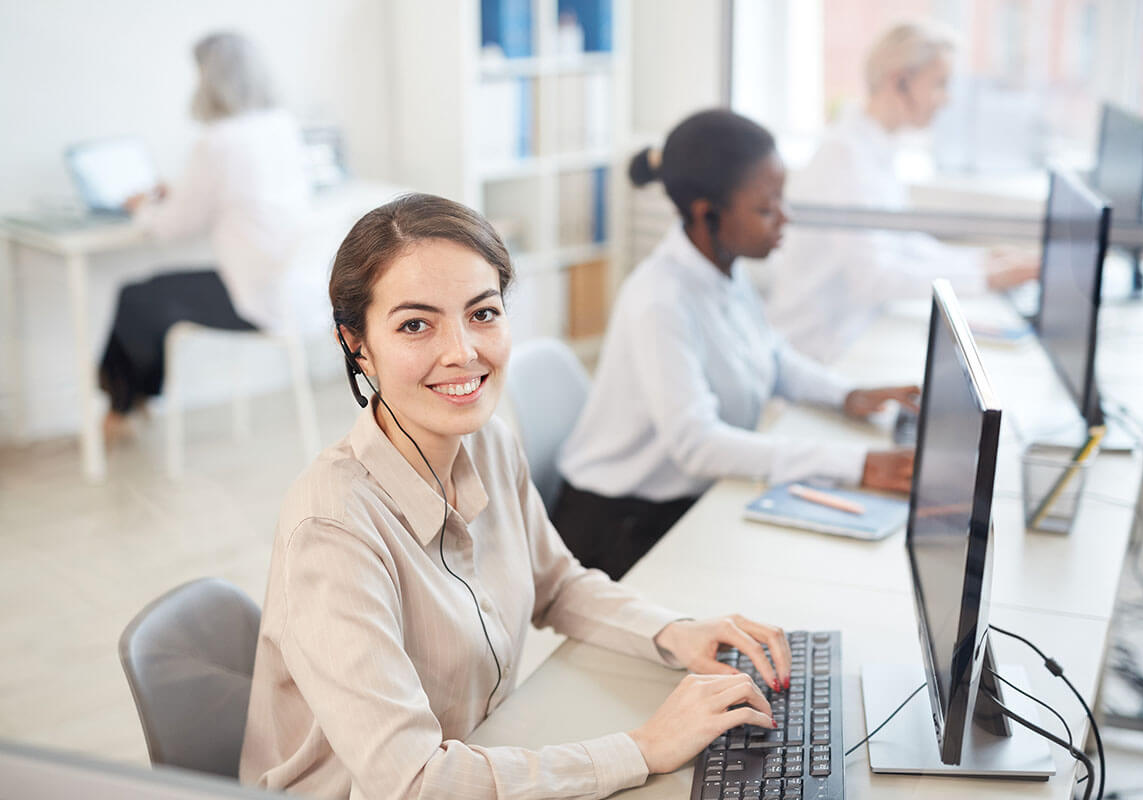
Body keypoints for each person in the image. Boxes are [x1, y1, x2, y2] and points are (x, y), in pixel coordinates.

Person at [240, 193, 794, 799]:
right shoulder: (333, 530)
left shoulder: (488, 444)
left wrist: (675, 633)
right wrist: (643, 747)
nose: (463, 351)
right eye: (416, 325)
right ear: (358, 344)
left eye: (482, 313)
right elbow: (414, 781)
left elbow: (558, 584)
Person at [553, 109, 917, 580]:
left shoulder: (724, 268)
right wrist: (857, 464)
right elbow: (699, 445)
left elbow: (771, 357)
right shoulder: (660, 299)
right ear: (708, 215)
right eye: (767, 209)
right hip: (620, 524)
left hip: (686, 498)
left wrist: (849, 394)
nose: (784, 218)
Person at [763, 20, 1040, 362]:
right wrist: (987, 276)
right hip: (822, 347)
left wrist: (983, 261)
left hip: (855, 331)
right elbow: (873, 279)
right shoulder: (846, 158)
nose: (947, 99)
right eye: (940, 84)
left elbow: (901, 245)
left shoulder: (874, 144)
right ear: (900, 81)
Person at [99, 31, 312, 441]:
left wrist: (141, 208)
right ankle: (131, 405)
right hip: (292, 288)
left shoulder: (218, 141)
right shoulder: (280, 125)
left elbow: (172, 227)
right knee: (151, 296)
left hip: (251, 298)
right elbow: (234, 192)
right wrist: (176, 193)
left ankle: (121, 411)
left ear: (210, 79)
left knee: (137, 296)